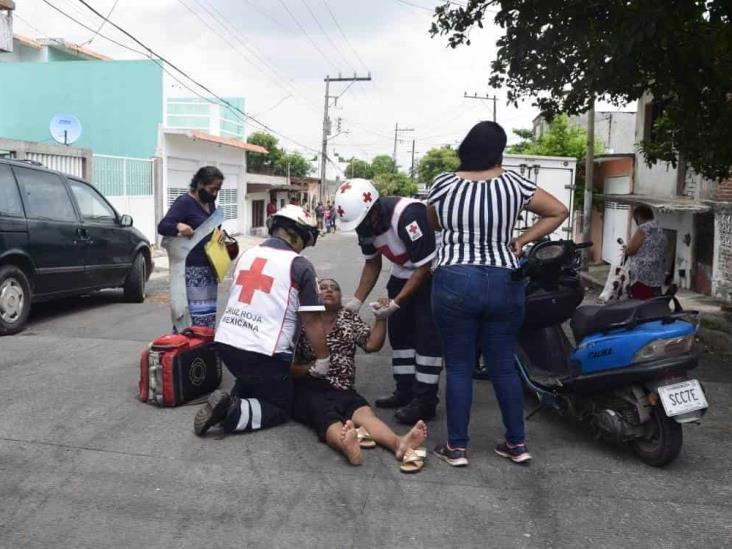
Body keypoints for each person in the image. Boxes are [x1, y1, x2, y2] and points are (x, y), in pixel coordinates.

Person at [426, 121, 568, 466]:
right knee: (503, 365)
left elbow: (433, 222)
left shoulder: (443, 184)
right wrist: (521, 240)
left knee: (459, 367)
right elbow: (559, 211)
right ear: (499, 151)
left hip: (455, 277)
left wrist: (462, 229)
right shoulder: (515, 184)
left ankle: (457, 448)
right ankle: (516, 444)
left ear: (466, 147)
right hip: (505, 279)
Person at [193, 205, 330, 437]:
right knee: (280, 405)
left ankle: (234, 397)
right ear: (296, 235)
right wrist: (324, 358)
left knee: (254, 380)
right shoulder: (299, 265)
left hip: (227, 344)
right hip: (264, 354)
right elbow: (311, 321)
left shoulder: (247, 255)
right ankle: (232, 412)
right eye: (305, 240)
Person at [334, 178, 442, 425]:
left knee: (426, 337)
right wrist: (357, 301)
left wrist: (398, 300)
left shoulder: (408, 214)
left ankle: (425, 401)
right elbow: (373, 263)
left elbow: (424, 265)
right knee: (399, 333)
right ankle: (404, 391)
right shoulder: (366, 226)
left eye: (363, 222)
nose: (361, 229)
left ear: (374, 208)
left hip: (431, 274)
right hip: (403, 272)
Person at [291, 279, 428, 471]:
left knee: (364, 413)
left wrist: (381, 318)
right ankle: (346, 445)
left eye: (335, 288)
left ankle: (398, 443)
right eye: (323, 288)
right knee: (324, 415)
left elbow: (372, 345)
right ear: (314, 295)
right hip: (310, 387)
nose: (330, 290)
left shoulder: (348, 317)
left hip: (344, 387)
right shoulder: (303, 321)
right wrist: (310, 369)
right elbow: (289, 367)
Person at [157, 166, 224, 329]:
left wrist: (220, 234)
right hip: (191, 273)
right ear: (200, 184)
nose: (214, 194)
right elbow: (163, 226)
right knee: (190, 321)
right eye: (212, 189)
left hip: (209, 270)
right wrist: (179, 226)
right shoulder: (184, 202)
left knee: (207, 320)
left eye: (218, 190)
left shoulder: (211, 204)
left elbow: (213, 228)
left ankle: (203, 353)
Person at [624, 205, 667, 300]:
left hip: (642, 274)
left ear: (638, 216)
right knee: (654, 300)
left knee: (639, 301)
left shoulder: (643, 229)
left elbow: (631, 250)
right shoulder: (660, 229)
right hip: (657, 272)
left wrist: (626, 249)